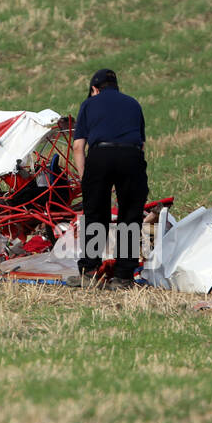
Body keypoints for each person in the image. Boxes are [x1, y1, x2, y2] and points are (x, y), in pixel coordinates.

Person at [69, 68, 148, 289]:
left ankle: (90, 273)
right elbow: (141, 144)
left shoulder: (89, 104)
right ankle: (123, 277)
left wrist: (87, 180)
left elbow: (78, 146)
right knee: (130, 215)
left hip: (100, 155)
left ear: (94, 89)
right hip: (131, 157)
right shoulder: (133, 104)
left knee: (95, 214)